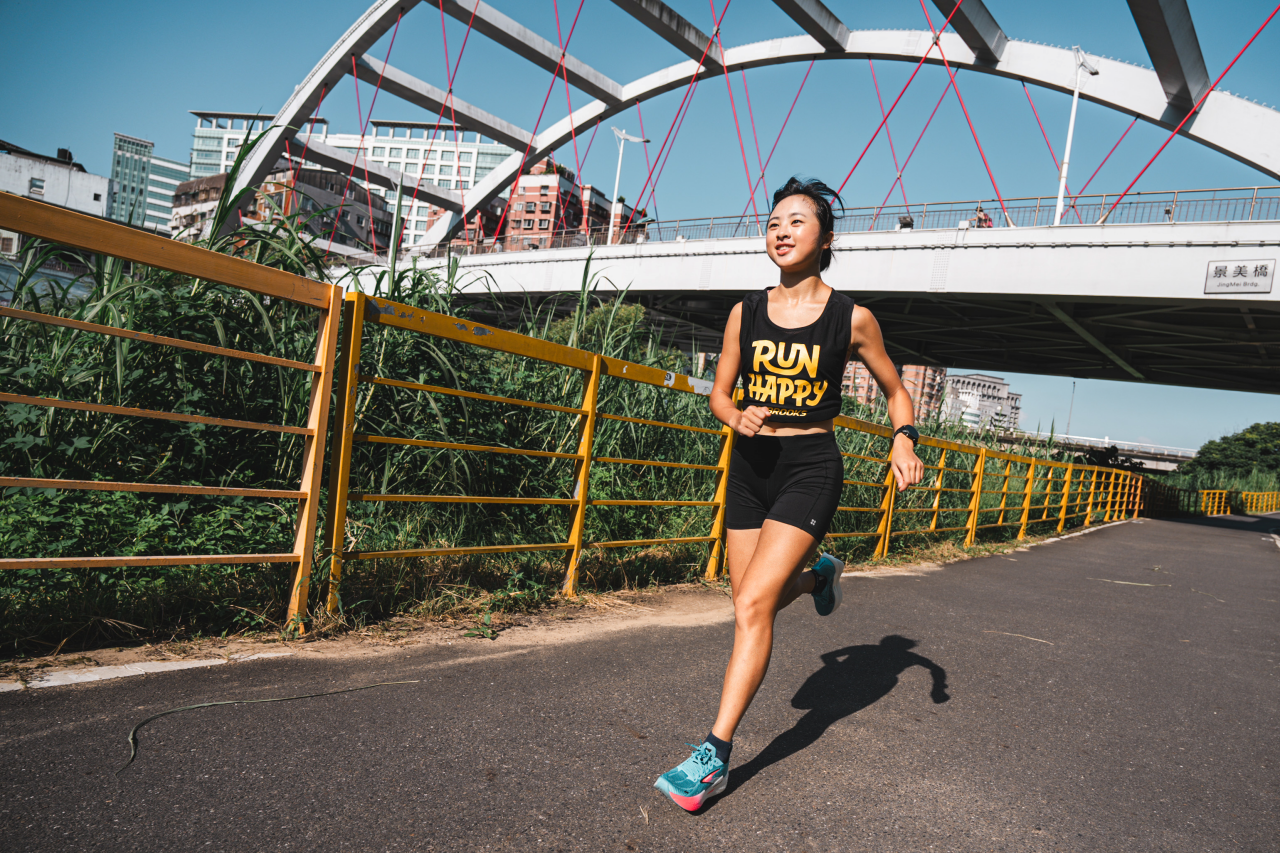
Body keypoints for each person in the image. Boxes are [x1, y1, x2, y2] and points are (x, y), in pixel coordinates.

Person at [653, 177, 926, 812]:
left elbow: (895, 389)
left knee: (753, 605)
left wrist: (903, 440)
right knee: (749, 603)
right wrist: (735, 415)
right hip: (750, 466)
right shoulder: (744, 312)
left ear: (826, 239)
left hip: (810, 467)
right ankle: (817, 575)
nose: (782, 230)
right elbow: (720, 393)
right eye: (775, 221)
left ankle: (714, 756)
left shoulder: (851, 318)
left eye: (798, 221)